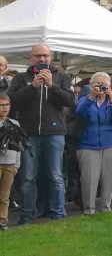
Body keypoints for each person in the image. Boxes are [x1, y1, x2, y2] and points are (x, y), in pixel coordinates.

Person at [7, 43, 73, 224]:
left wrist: (52, 86)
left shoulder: (61, 77)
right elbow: (11, 101)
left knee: (56, 176)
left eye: (45, 55)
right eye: (38, 56)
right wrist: (32, 87)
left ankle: (58, 214)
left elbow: (69, 101)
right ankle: (27, 216)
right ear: (31, 57)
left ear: (51, 57)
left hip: (55, 133)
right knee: (28, 177)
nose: (42, 59)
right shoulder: (21, 78)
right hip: (29, 133)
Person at [75, 72, 112, 215]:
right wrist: (91, 96)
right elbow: (79, 113)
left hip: (110, 144)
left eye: (104, 84)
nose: (101, 87)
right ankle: (89, 210)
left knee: (110, 177)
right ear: (91, 85)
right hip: (88, 144)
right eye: (98, 84)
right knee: (89, 179)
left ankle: (106, 208)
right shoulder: (85, 99)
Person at [0, 93, 21, 230]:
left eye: (7, 105)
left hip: (10, 163)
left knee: (5, 196)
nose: (4, 108)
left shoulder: (14, 123)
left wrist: (17, 165)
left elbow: (19, 146)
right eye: (1, 105)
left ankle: (3, 220)